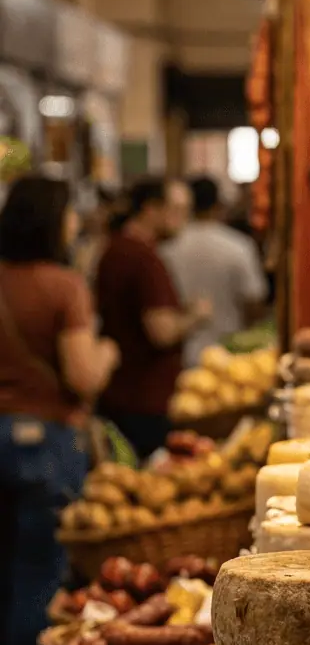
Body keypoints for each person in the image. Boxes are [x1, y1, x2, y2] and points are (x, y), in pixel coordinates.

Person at [0, 175, 120, 645]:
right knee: (37, 579)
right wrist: (108, 354)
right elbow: (83, 376)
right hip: (44, 445)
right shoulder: (64, 287)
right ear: (55, 221)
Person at [95, 177, 209, 459]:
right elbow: (162, 331)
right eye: (177, 209)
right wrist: (196, 316)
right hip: (143, 400)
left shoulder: (116, 248)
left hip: (123, 396)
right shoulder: (142, 258)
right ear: (150, 209)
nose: (184, 219)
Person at [162, 176, 268, 367]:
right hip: (230, 356)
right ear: (218, 205)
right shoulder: (239, 246)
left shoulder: (168, 248)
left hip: (179, 355)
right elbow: (253, 301)